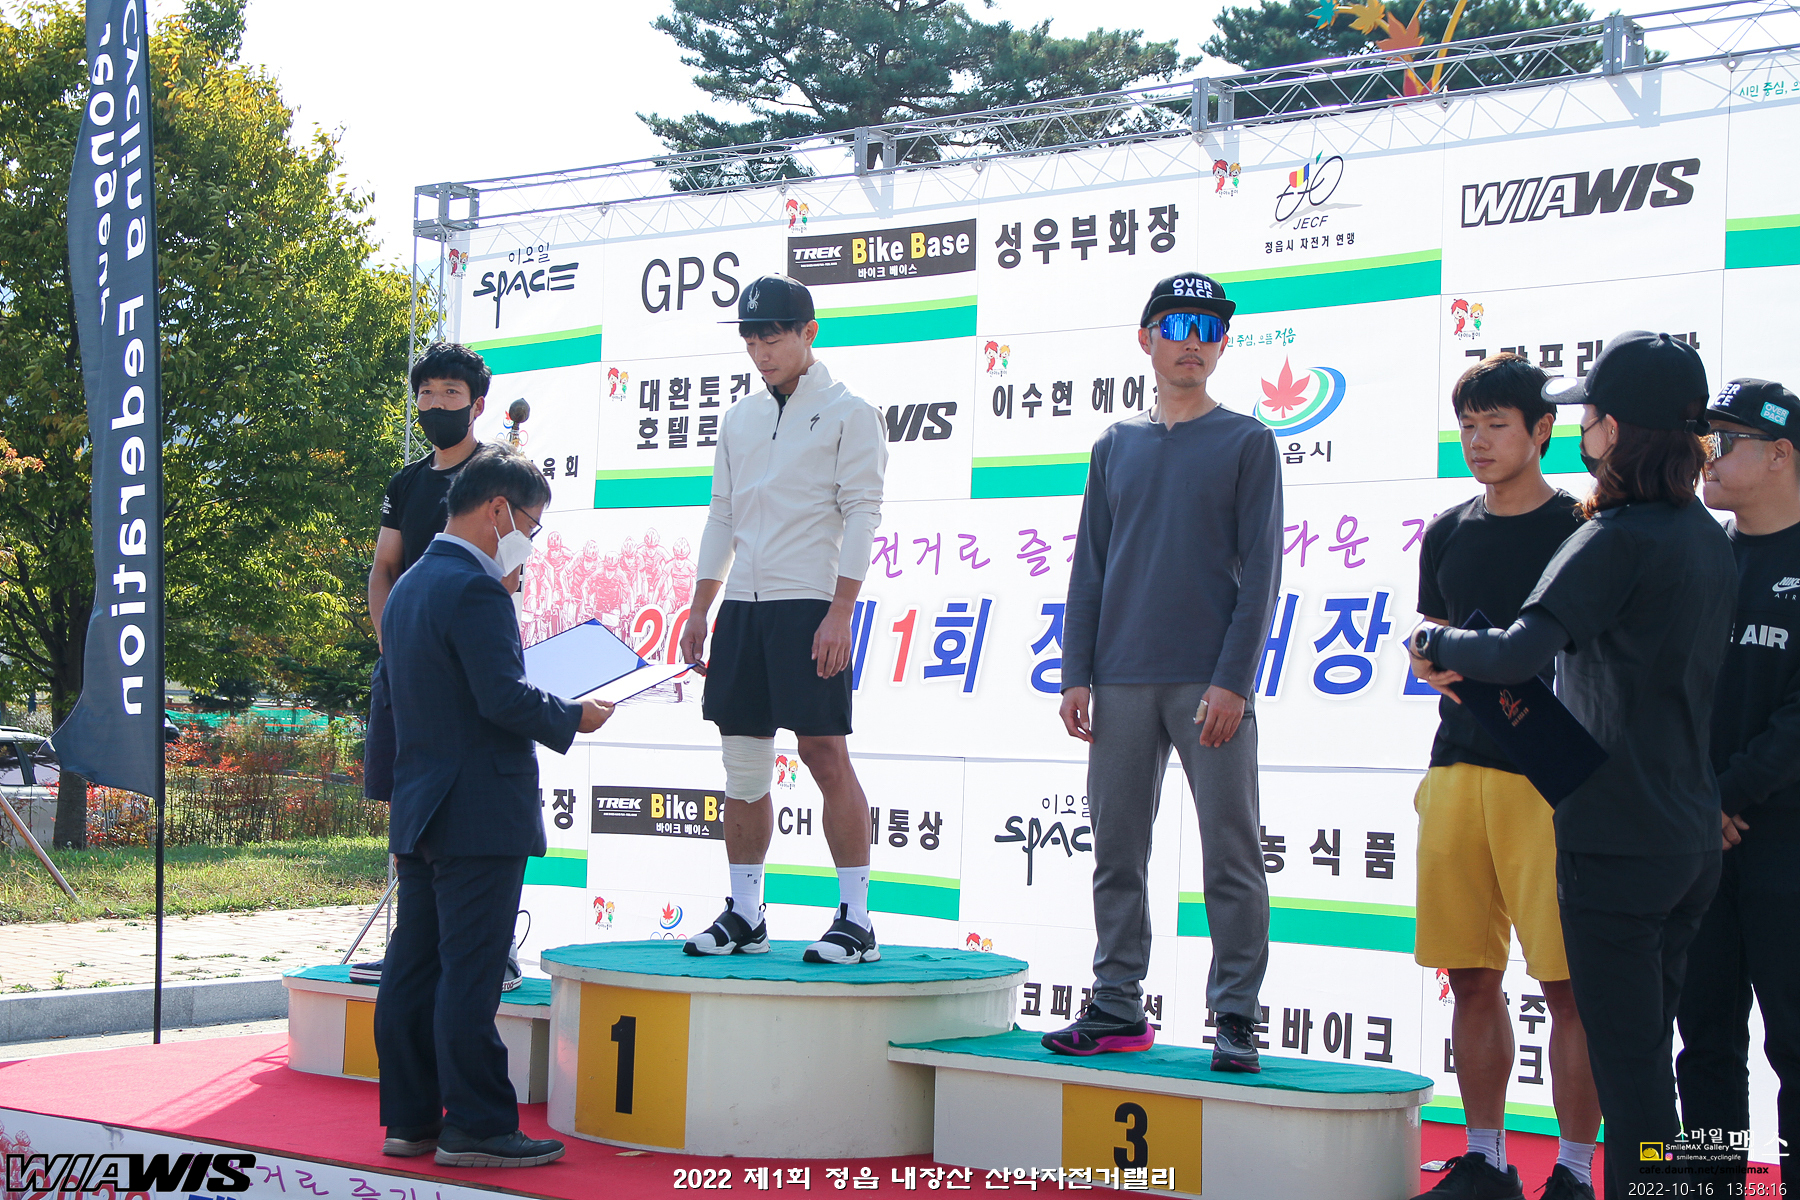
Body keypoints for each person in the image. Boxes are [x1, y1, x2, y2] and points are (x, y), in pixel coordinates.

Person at [1408, 331, 1736, 1200]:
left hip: (1613, 834)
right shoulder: (1706, 535)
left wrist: (1438, 643)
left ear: (1611, 430)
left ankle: (1619, 1182)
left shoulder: (1611, 535)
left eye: (1590, 416)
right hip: (1681, 834)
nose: (1588, 431)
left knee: (1630, 1079)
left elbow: (1516, 654)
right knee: (1651, 1070)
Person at [1047, 273, 1281, 1069]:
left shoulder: (1248, 442)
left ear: (1223, 345)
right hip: (1118, 681)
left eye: (1209, 329)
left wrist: (1234, 682)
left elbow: (1263, 573)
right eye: (1177, 325)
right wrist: (1076, 673)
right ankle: (1117, 1004)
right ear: (1146, 339)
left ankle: (1236, 1014)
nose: (1193, 342)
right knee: (1117, 851)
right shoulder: (1115, 445)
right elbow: (1089, 567)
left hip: (1209, 685)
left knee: (1231, 853)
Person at [374, 443, 613, 1167]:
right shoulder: (477, 590)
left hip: (422, 806)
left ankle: (411, 1119)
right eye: (531, 526)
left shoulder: (408, 585)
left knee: (414, 969)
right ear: (498, 510)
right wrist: (573, 716)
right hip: (479, 810)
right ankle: (477, 1125)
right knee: (470, 975)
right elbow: (502, 697)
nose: (530, 543)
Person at [1408, 355, 1599, 1200]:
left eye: (1496, 425)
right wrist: (1426, 658)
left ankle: (1575, 1170)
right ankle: (1485, 1158)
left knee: (1570, 986)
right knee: (1470, 977)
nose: (1479, 442)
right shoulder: (1448, 530)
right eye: (1468, 427)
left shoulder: (1583, 529)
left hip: (1552, 781)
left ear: (1542, 430)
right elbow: (1432, 636)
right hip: (1456, 769)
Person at [676, 275, 889, 964]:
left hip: (810, 602)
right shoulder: (738, 418)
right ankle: (746, 913)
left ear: (808, 333)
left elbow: (862, 513)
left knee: (825, 754)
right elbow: (722, 515)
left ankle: (857, 919)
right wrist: (701, 606)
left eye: (772, 337)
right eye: (751, 339)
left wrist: (841, 610)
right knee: (742, 766)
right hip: (743, 606)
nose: (761, 351)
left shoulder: (851, 413)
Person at [1677, 378, 1800, 1187]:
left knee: (1793, 1042)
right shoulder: (1700, 556)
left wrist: (1728, 795)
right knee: (1705, 1044)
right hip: (1698, 839)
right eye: (1703, 442)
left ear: (1781, 453)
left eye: (1724, 442)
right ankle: (1710, 1186)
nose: (1707, 459)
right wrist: (1699, 802)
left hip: (1782, 840)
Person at [366, 342, 494, 806]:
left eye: (450, 392)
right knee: (401, 794)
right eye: (426, 392)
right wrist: (391, 640)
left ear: (477, 406)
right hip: (403, 659)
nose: (436, 403)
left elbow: (508, 572)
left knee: (463, 796)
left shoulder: (498, 474)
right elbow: (384, 567)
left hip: (467, 660)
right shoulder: (406, 482)